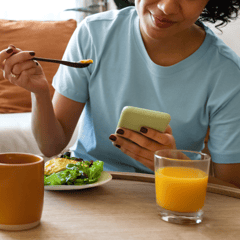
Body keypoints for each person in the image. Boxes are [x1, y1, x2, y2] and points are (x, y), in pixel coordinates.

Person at [1, 0, 240, 187]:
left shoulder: (227, 73)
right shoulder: (93, 33)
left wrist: (174, 165)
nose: (166, 6)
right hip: (85, 188)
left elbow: (231, 188)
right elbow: (51, 146)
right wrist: (40, 94)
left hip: (166, 195)